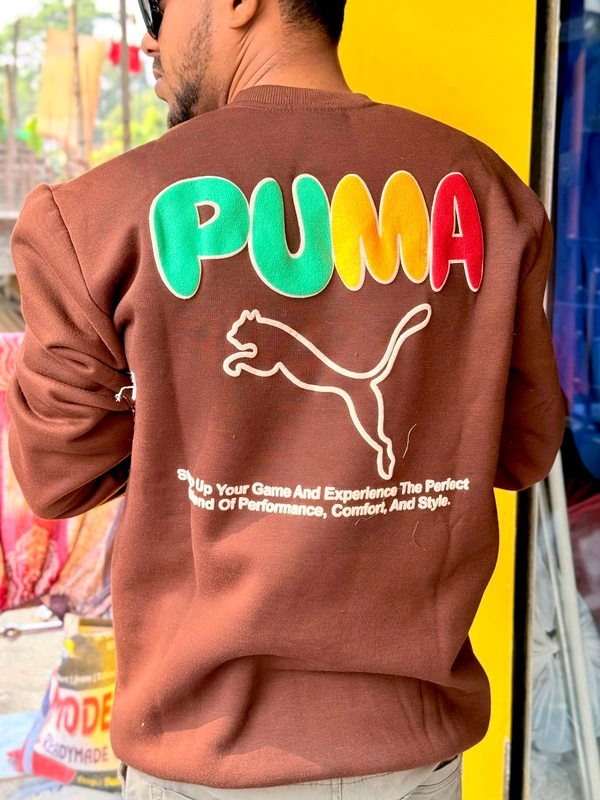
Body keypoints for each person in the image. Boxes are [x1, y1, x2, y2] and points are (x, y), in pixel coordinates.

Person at [7, 0, 565, 798]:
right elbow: (522, 450)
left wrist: (165, 400)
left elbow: (57, 475)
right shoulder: (492, 196)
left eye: (157, 7)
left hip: (206, 759)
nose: (149, 36)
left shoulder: (96, 216)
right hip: (412, 753)